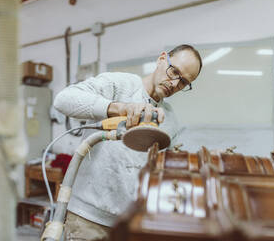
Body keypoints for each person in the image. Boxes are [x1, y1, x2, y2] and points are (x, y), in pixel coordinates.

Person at [53, 44, 202, 241]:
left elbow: (164, 174)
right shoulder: (120, 84)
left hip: (132, 224)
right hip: (88, 219)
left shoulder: (170, 120)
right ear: (161, 58)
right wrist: (119, 108)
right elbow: (63, 100)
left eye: (183, 82)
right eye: (174, 71)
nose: (174, 83)